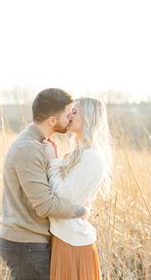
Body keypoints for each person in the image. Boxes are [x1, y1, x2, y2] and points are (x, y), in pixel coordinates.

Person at [0, 88, 91, 280]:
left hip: (28, 243)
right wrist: (80, 211)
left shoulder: (37, 144)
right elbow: (45, 205)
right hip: (25, 244)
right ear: (52, 120)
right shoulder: (29, 149)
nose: (70, 119)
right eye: (67, 115)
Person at [42, 97, 113, 280]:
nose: (69, 115)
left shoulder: (92, 156)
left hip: (73, 244)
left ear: (88, 118)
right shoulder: (81, 152)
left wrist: (53, 162)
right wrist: (57, 158)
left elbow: (64, 198)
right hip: (65, 237)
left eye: (74, 112)